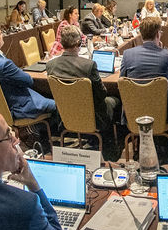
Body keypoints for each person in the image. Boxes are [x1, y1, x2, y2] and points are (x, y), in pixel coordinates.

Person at [45, 25, 119, 155]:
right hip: (94, 117)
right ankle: (112, 147)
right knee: (115, 100)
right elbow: (102, 94)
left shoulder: (50, 65)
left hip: (65, 115)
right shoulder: (89, 65)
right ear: (79, 43)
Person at [0, 22, 57, 124]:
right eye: (0, 33)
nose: (2, 35)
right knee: (59, 103)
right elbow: (28, 81)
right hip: (21, 105)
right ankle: (48, 131)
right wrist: (19, 72)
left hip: (8, 102)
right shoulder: (4, 64)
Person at [119, 15, 168, 86]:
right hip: (159, 93)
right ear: (158, 34)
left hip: (132, 93)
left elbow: (121, 82)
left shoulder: (127, 54)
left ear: (141, 35)